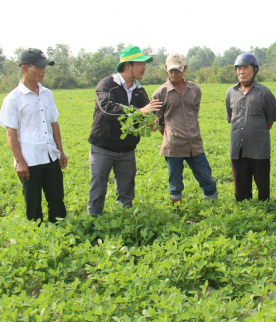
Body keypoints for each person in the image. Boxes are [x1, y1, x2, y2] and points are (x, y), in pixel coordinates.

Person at [87, 46, 162, 216]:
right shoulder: (107, 85)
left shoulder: (139, 89)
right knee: (98, 189)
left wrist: (153, 119)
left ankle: (125, 221)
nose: (144, 68)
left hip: (127, 149)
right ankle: (93, 221)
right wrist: (138, 112)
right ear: (127, 65)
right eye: (140, 64)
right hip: (103, 148)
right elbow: (108, 108)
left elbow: (149, 109)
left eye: (145, 64)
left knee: (126, 191)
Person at [0, 48, 67, 223]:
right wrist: (19, 161)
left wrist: (60, 151)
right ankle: (37, 238)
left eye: (45, 67)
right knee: (33, 204)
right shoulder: (13, 99)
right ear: (25, 69)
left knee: (57, 200)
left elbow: (54, 123)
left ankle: (60, 234)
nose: (43, 70)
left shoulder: (47, 93)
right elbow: (11, 133)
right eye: (39, 67)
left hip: (50, 155)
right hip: (30, 159)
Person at [152, 53, 218, 205]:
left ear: (185, 68)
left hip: (195, 143)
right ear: (166, 69)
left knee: (206, 178)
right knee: (175, 183)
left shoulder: (195, 89)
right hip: (173, 146)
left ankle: (213, 208)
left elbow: (194, 112)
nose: (174, 73)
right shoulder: (159, 93)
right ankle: (178, 211)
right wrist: (170, 136)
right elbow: (159, 121)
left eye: (178, 69)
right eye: (171, 70)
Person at [225, 53, 276, 201]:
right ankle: (244, 211)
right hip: (237, 147)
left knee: (263, 188)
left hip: (259, 148)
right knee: (240, 190)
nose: (241, 72)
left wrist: (257, 132)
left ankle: (264, 210)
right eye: (238, 68)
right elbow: (231, 117)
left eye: (245, 68)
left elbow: (270, 120)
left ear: (255, 70)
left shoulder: (265, 93)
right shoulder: (230, 92)